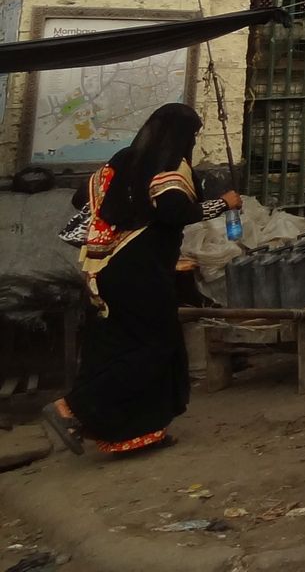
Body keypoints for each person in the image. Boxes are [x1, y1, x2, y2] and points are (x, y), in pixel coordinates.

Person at [42, 104, 241, 457]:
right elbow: (175, 211)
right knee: (155, 347)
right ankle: (73, 407)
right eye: (192, 135)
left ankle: (125, 435)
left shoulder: (123, 159)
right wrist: (222, 203)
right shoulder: (170, 167)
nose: (193, 142)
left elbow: (81, 198)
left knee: (113, 347)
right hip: (139, 272)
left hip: (101, 269)